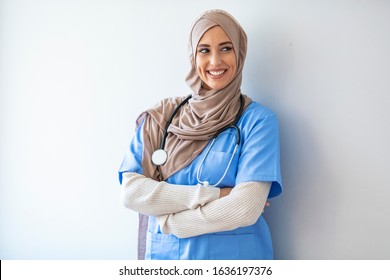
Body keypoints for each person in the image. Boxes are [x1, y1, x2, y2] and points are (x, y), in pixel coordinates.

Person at [118, 9, 282, 260]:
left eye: (226, 48)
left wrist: (173, 223)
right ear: (193, 56)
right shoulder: (161, 117)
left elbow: (245, 209)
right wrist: (216, 195)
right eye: (204, 50)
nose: (215, 62)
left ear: (240, 52)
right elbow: (132, 193)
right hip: (165, 259)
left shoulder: (257, 121)